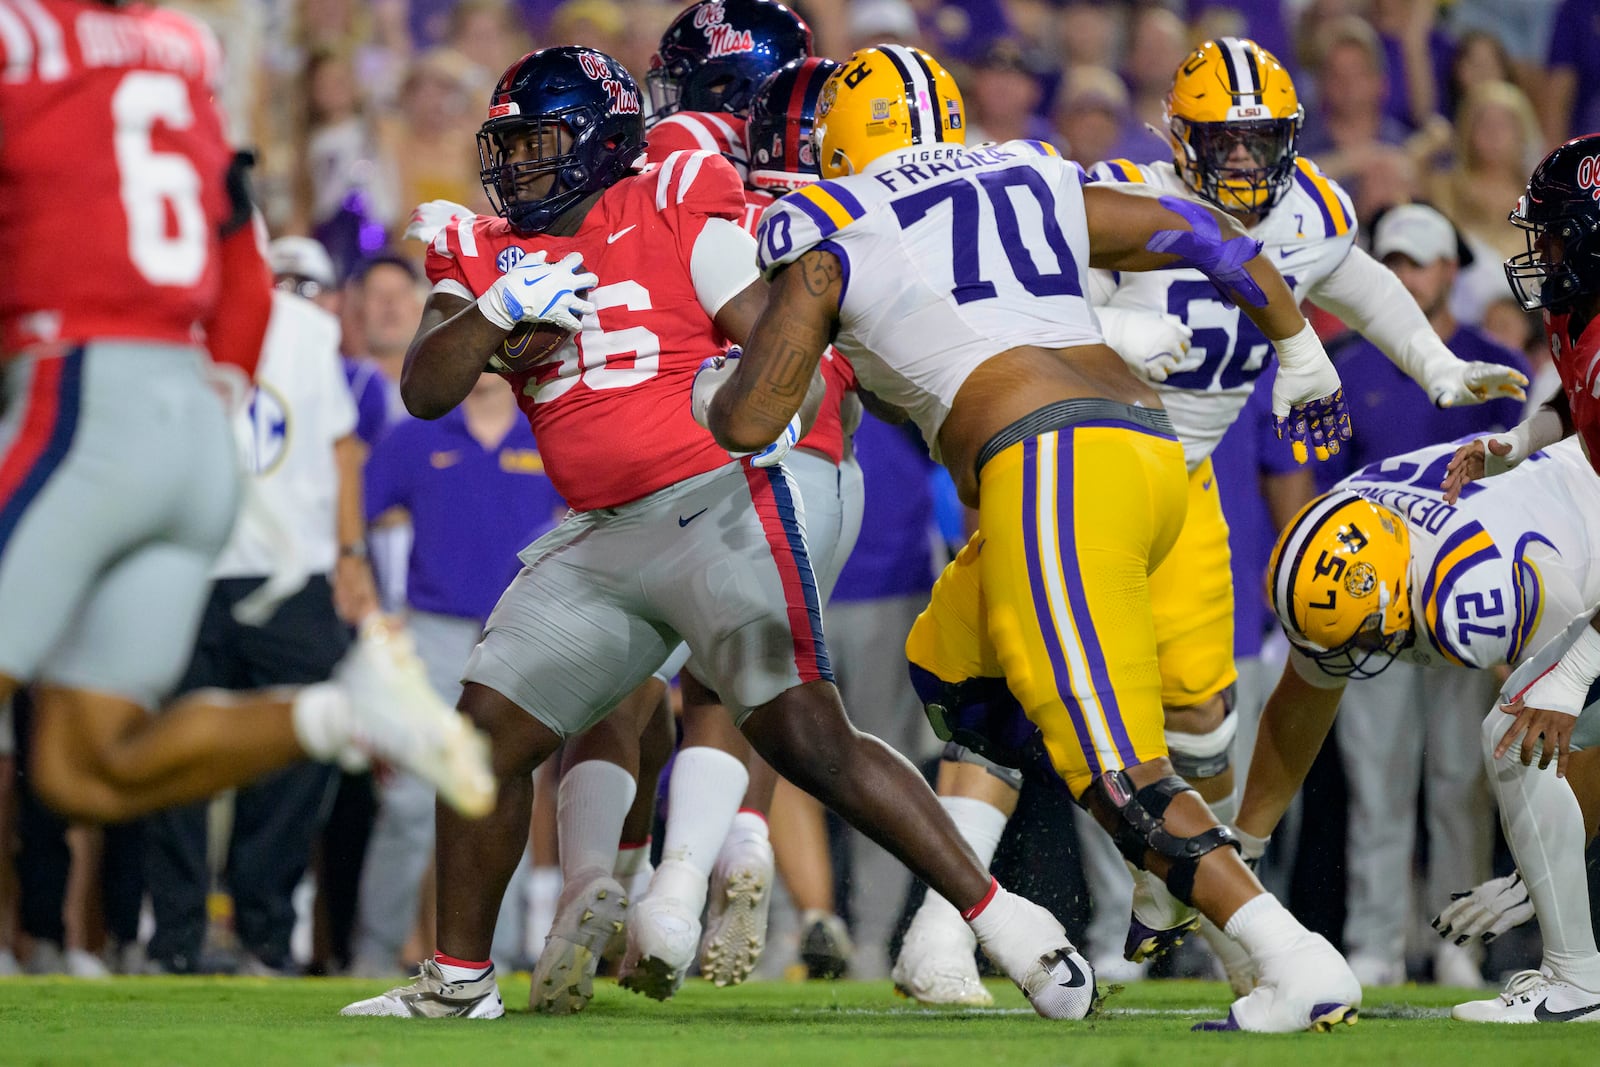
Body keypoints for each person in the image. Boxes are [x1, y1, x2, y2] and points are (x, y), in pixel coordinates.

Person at [341, 45, 1093, 1023]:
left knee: (804, 733)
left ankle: (1008, 924)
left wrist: (757, 398)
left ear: (600, 142)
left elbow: (775, 327)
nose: (519, 164)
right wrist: (494, 308)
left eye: (540, 141)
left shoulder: (668, 202)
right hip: (597, 539)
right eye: (510, 143)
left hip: (716, 505)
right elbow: (427, 386)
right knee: (481, 736)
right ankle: (459, 980)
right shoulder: (482, 246)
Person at [702, 42, 1361, 1034]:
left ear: (838, 139)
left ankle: (1283, 952)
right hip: (1145, 454)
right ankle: (942, 933)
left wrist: (717, 387)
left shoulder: (833, 220)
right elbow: (1197, 227)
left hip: (1053, 467)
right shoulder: (1028, 170)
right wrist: (1299, 346)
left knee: (1114, 770)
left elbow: (753, 419)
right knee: (958, 676)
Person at [889, 36, 1527, 1006]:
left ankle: (1185, 892)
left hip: (1176, 489)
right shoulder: (1121, 197)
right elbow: (1023, 305)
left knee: (1204, 722)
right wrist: (1113, 332)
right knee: (992, 704)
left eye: (1256, 140)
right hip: (1065, 468)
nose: (1238, 160)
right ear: (1177, 137)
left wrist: (1432, 364)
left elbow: (1348, 274)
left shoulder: (1308, 204)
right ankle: (944, 929)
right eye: (1219, 141)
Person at [0, 0, 491, 828]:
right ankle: (346, 714)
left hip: (82, 392)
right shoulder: (182, 52)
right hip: (194, 430)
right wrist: (210, 395)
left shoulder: (24, 35)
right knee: (86, 765)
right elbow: (239, 255)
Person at [538, 9, 826, 1004]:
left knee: (611, 684)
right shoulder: (809, 171)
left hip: (652, 424)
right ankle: (702, 862)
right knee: (737, 685)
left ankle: (591, 882)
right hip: (796, 442)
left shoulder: (647, 158)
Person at [144, 262, 379, 977]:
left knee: (293, 759)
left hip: (295, 566)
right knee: (173, 757)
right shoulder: (166, 318)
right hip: (188, 563)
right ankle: (177, 936)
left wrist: (348, 552)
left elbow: (343, 444)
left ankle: (265, 934)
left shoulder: (307, 327)